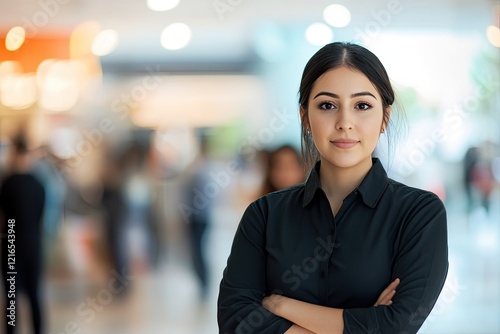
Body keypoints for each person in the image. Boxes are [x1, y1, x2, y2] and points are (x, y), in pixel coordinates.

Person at [217, 42, 448, 334]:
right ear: (305, 117)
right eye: (327, 105)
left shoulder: (419, 214)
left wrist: (280, 305)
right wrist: (363, 323)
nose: (345, 123)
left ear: (384, 119)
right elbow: (234, 321)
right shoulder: (264, 215)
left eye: (362, 106)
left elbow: (397, 326)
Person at [0, 134, 46, 334]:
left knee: (11, 294)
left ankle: (11, 330)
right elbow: (41, 217)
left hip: (11, 242)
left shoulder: (6, 183)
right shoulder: (39, 185)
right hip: (33, 243)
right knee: (34, 292)